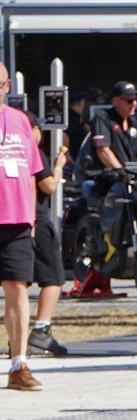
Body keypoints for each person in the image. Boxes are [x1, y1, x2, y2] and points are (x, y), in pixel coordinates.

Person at [0, 63, 49, 390]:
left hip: (17, 219)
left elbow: (32, 172)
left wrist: (31, 217)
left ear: (6, 85)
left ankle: (19, 364)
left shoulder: (20, 120)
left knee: (18, 288)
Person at [26, 136, 68, 357]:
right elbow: (48, 185)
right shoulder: (33, 151)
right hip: (37, 219)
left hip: (13, 218)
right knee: (53, 278)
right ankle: (42, 328)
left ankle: (19, 335)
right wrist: (58, 168)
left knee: (17, 282)